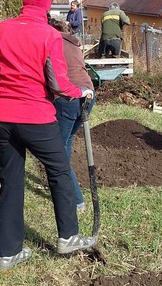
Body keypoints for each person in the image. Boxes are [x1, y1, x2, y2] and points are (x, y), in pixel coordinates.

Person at [0, 0, 96, 270]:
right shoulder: (49, 35)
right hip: (36, 117)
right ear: (47, 4)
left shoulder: (1, 29)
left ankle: (7, 253)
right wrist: (81, 92)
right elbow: (59, 83)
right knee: (59, 172)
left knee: (10, 182)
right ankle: (68, 237)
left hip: (1, 118)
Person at [49, 18, 95, 211]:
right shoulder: (73, 42)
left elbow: (51, 74)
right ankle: (64, 184)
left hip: (68, 97)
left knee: (58, 150)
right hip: (89, 94)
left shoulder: (52, 41)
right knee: (66, 143)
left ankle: (75, 198)